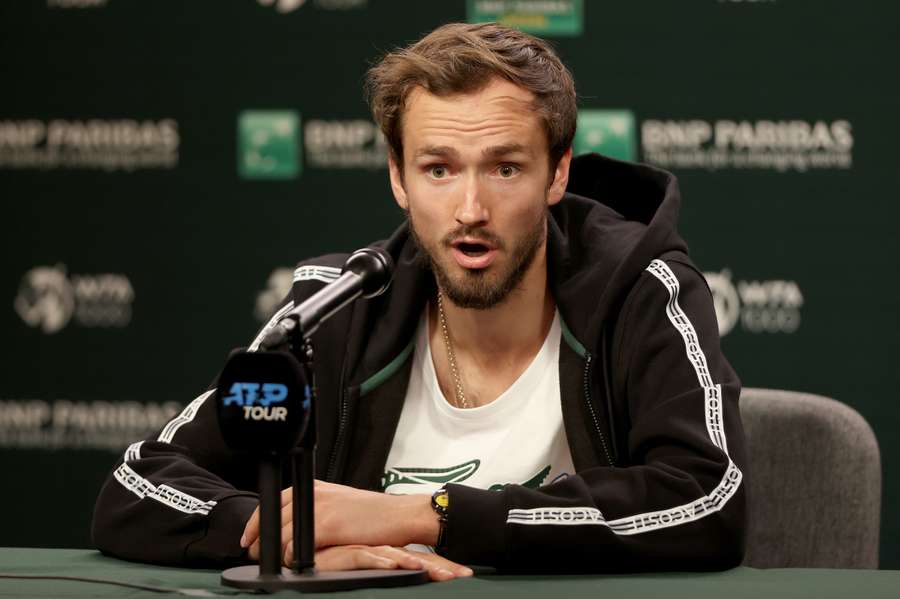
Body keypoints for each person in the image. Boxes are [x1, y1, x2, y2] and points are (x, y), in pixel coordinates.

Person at [92, 22, 746, 580]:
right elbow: (139, 486)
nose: (471, 210)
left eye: (505, 168)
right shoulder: (337, 309)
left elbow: (708, 498)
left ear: (559, 172)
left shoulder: (641, 287)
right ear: (398, 177)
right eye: (439, 168)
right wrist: (298, 534)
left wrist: (425, 515)